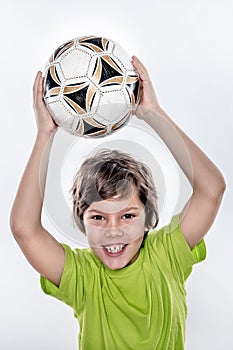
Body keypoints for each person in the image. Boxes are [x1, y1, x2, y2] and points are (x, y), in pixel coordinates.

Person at [10, 56, 226, 349]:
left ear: (149, 218)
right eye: (98, 217)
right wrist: (45, 135)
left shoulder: (167, 255)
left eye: (127, 216)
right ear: (81, 222)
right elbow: (25, 229)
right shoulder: (84, 277)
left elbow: (211, 190)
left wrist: (153, 113)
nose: (113, 230)